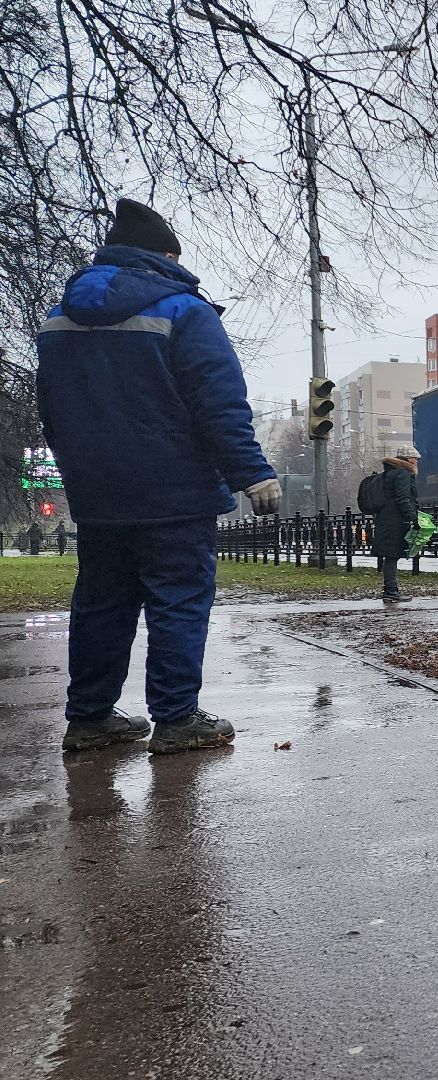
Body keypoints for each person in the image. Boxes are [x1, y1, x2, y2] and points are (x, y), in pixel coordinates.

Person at [37, 198, 280, 755]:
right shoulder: (183, 312)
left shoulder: (58, 320)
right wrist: (252, 473)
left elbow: (52, 411)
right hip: (175, 490)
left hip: (99, 494)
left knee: (101, 601)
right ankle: (176, 719)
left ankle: (90, 717)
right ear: (165, 254)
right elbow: (218, 404)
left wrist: (79, 471)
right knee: (177, 599)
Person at [373, 446, 421, 604]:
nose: (417, 461)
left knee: (390, 556)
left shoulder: (390, 473)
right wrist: (413, 518)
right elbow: (403, 499)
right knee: (392, 556)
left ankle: (390, 591)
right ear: (408, 460)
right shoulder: (402, 474)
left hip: (386, 518)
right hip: (394, 520)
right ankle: (391, 592)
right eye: (415, 458)